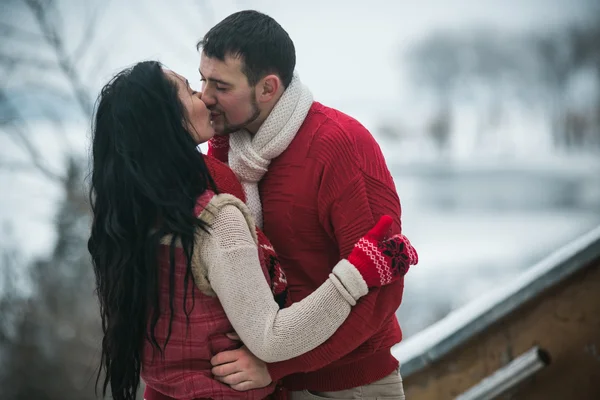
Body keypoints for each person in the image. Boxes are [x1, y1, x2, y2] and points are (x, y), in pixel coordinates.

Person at [88, 61, 418, 400]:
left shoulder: (133, 217)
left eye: (216, 85)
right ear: (167, 122)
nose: (204, 96)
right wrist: (358, 271)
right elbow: (271, 338)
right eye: (191, 90)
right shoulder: (215, 221)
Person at [193, 10, 413, 399]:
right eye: (202, 80)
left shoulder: (339, 145)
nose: (205, 97)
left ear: (268, 88)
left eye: (220, 86)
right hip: (267, 385)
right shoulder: (227, 152)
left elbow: (382, 286)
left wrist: (277, 364)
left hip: (348, 385)